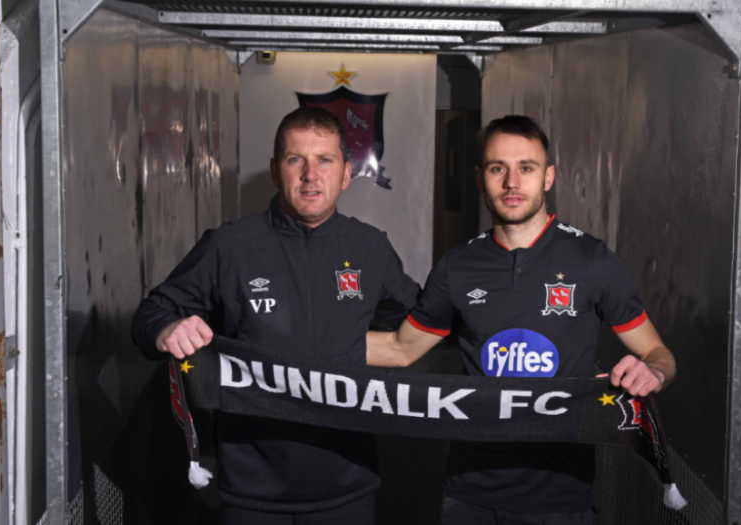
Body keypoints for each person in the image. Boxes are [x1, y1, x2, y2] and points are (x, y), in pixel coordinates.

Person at [367, 115, 677, 525]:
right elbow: (400, 349)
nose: (512, 183)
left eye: (526, 168)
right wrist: (302, 343)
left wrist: (653, 371)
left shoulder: (593, 261)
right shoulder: (457, 267)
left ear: (548, 177)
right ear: (479, 178)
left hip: (560, 496)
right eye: (498, 168)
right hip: (468, 493)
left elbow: (659, 355)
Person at [132, 107, 419, 524]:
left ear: (345, 174)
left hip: (348, 484)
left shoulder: (370, 248)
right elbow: (151, 314)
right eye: (294, 159)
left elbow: (419, 318)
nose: (310, 175)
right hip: (251, 490)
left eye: (325, 160)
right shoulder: (229, 246)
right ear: (274, 170)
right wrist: (166, 328)